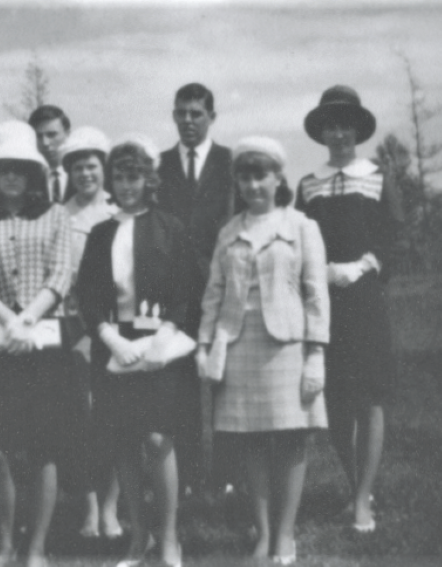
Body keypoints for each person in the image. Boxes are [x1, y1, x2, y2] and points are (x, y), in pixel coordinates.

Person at [197, 137, 329, 564]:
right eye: (245, 176)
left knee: (291, 438)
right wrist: (204, 344)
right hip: (238, 345)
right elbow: (213, 294)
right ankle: (263, 532)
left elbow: (316, 294)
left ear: (278, 179)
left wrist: (316, 353)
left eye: (261, 175)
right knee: (250, 440)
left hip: (287, 345)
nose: (253, 185)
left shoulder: (301, 226)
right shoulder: (228, 232)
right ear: (237, 181)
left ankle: (286, 535)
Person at [0, 121, 79, 567]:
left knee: (43, 446)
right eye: (3, 169)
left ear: (32, 175)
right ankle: (4, 545)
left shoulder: (55, 217)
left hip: (43, 346)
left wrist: (28, 318)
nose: (11, 177)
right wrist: (10, 322)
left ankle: (36, 549)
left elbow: (60, 274)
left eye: (20, 169)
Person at [77, 136, 194, 567]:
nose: (126, 185)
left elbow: (186, 290)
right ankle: (139, 536)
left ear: (149, 179)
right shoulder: (101, 232)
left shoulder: (170, 226)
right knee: (124, 441)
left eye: (134, 176)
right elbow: (87, 295)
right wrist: (111, 340)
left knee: (158, 437)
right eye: (119, 177)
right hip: (115, 346)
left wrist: (162, 339)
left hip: (162, 343)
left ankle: (168, 539)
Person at [297, 85, 403, 534]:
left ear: (356, 129)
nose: (338, 133)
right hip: (324, 301)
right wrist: (322, 270)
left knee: (369, 399)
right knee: (337, 402)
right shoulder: (309, 184)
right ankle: (354, 485)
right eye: (330, 126)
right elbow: (301, 240)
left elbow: (395, 237)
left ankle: (363, 501)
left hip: (364, 297)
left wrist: (363, 267)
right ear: (322, 132)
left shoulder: (377, 175)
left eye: (345, 125)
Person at [156, 82, 244, 500]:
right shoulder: (160, 165)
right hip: (177, 291)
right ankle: (188, 475)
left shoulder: (232, 163)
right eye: (181, 113)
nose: (188, 121)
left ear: (212, 116)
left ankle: (229, 475)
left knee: (225, 382)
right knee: (181, 384)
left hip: (225, 285)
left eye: (196, 113)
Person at [57, 126, 122, 540]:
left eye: (92, 166)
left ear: (104, 168)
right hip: (72, 326)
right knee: (79, 418)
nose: (85, 174)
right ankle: (89, 505)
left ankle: (113, 506)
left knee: (114, 414)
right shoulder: (58, 215)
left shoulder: (118, 210)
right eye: (77, 167)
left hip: (116, 324)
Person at [29, 105, 72, 203]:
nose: (45, 143)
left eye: (51, 135)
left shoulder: (80, 173)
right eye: (39, 136)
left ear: (68, 134)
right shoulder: (29, 179)